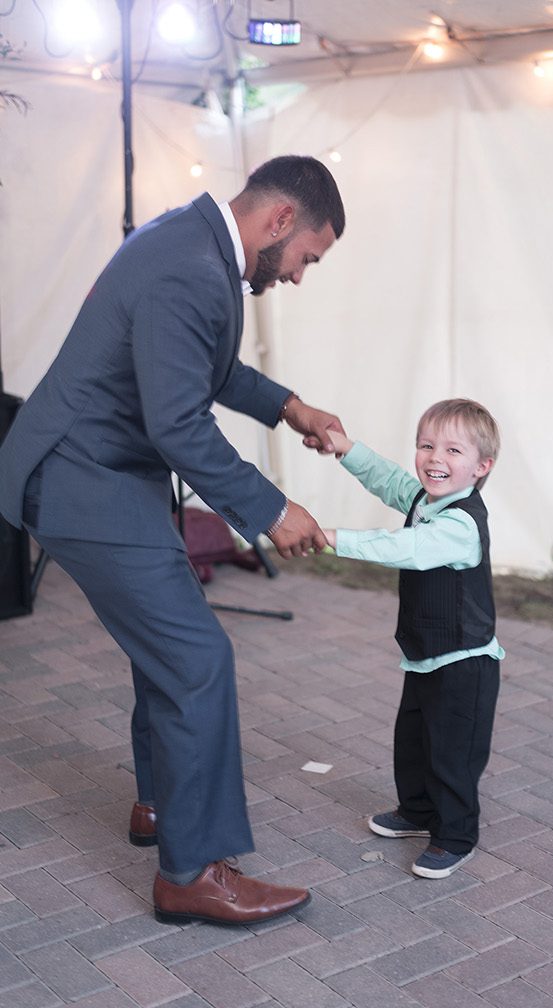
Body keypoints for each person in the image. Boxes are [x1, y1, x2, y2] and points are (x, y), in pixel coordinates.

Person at [0, 155, 348, 926]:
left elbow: (200, 366)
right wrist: (270, 509)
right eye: (306, 260)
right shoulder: (192, 266)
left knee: (174, 645)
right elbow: (179, 422)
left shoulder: (188, 239)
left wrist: (290, 406)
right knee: (197, 660)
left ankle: (162, 807)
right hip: (81, 480)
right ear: (280, 222)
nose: (298, 276)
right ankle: (192, 873)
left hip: (102, 475)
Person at [321, 398, 502, 879]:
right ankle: (418, 812)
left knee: (452, 754)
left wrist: (332, 537)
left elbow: (408, 548)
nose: (435, 458)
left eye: (453, 451)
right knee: (414, 741)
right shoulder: (426, 498)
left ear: (481, 467)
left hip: (465, 663)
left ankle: (456, 835)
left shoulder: (461, 524)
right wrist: (346, 448)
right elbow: (389, 479)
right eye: (426, 445)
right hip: (425, 657)